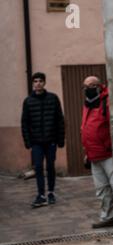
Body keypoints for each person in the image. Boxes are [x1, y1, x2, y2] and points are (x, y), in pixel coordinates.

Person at [21, 72, 65, 208]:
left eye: (40, 81)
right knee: (38, 167)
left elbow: (60, 120)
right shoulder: (28, 101)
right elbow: (25, 123)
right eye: (35, 81)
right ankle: (41, 194)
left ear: (44, 83)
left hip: (51, 140)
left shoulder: (53, 98)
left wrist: (60, 139)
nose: (38, 83)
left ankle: (51, 192)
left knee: (50, 167)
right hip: (36, 142)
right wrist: (28, 142)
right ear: (33, 84)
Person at [80, 76, 113, 229]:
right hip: (94, 154)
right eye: (86, 86)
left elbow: (111, 127)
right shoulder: (88, 104)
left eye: (92, 85)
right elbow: (86, 128)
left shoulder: (106, 102)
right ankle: (107, 217)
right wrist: (87, 152)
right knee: (101, 189)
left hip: (108, 154)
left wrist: (109, 146)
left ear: (99, 86)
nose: (88, 88)